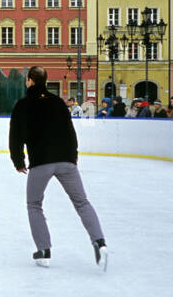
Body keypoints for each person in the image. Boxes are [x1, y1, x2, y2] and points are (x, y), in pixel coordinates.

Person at [8, 66, 108, 271]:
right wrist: (73, 156)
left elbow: (15, 136)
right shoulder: (58, 103)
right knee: (81, 202)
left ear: (30, 81)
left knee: (34, 204)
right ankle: (99, 241)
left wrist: (18, 161)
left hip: (41, 161)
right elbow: (70, 131)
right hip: (66, 160)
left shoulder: (23, 104)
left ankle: (43, 251)